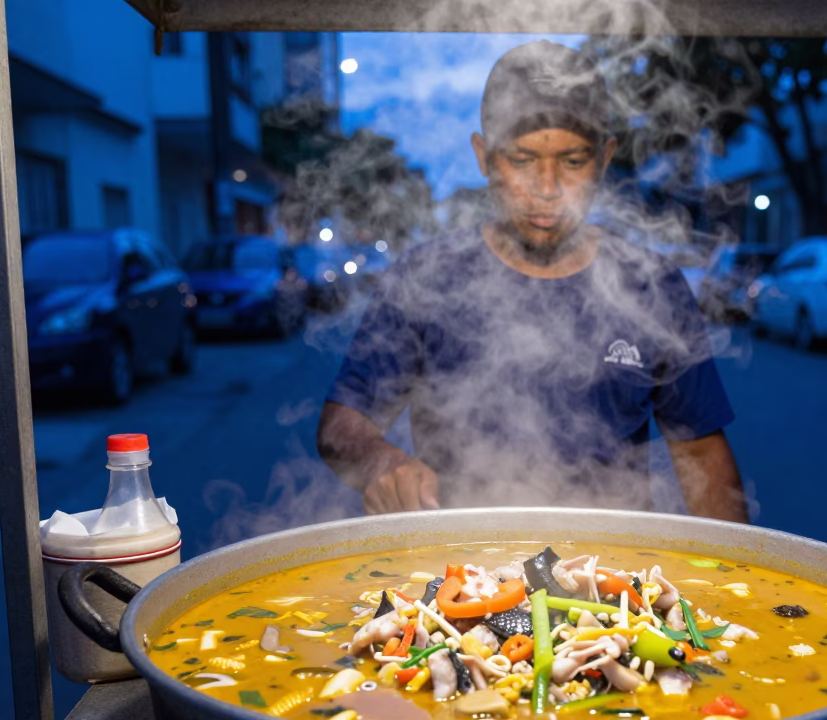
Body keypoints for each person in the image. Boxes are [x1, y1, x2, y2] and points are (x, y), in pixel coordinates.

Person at [316, 40, 748, 523]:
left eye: (573, 161)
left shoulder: (651, 285)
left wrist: (736, 584)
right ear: (484, 157)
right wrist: (382, 462)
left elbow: (701, 455)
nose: (547, 189)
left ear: (605, 159)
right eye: (521, 161)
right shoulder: (425, 277)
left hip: (610, 577)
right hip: (461, 575)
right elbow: (341, 424)